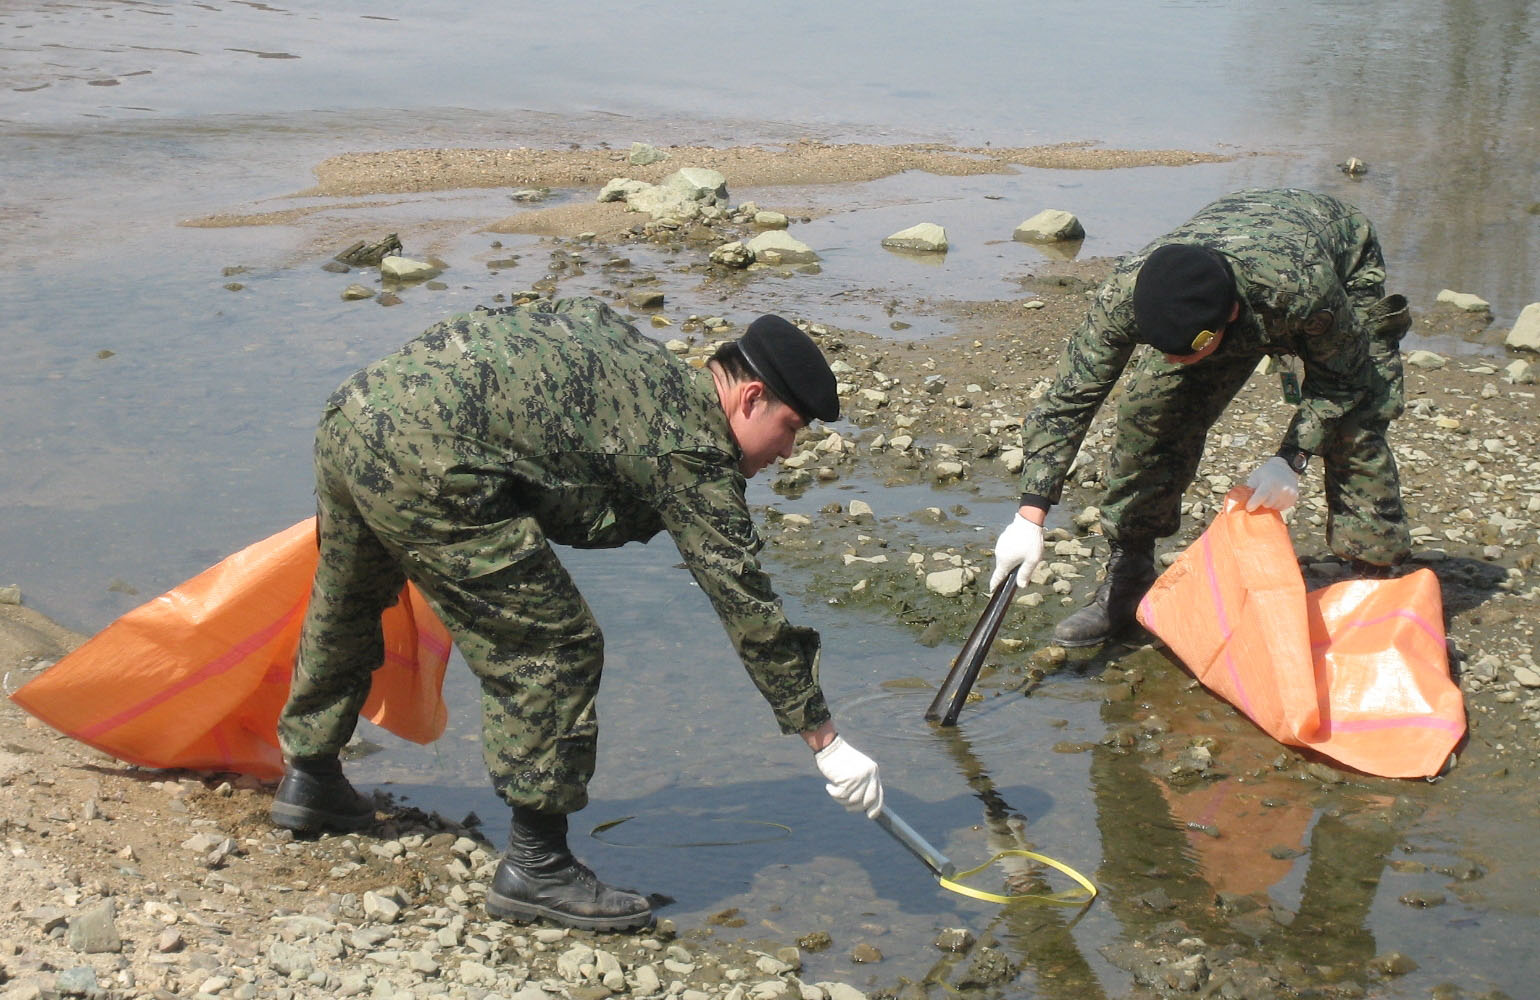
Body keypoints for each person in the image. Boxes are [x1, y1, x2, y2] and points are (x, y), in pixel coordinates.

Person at [268, 296, 884, 932]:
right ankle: (538, 866)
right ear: (751, 397)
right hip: (432, 461)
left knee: (349, 597)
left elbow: (551, 322)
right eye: (790, 428)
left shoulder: (649, 369)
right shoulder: (693, 446)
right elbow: (746, 603)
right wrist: (824, 738)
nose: (788, 452)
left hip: (357, 412)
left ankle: (310, 775)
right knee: (555, 646)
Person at [989, 188, 1413, 647]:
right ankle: (1129, 576)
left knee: (1359, 421)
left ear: (1229, 317)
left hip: (1333, 260)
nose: (1174, 360)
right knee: (1151, 411)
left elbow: (1344, 381)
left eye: (1189, 351)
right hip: (1229, 268)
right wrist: (1030, 515)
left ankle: (1373, 582)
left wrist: (1292, 458)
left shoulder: (1303, 289)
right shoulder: (1124, 293)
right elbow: (1068, 400)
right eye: (1164, 350)